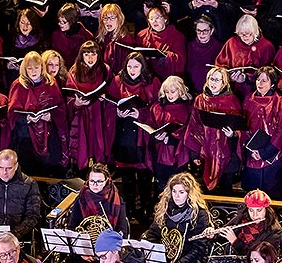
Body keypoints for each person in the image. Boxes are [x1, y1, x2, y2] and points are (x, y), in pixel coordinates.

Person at [201, 190, 282, 263]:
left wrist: (235, 242)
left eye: (259, 210)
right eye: (251, 210)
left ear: (266, 208)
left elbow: (260, 257)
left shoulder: (274, 230)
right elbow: (223, 232)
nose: (254, 215)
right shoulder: (242, 219)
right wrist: (212, 234)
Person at [109, 52, 161, 222]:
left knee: (145, 176)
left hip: (142, 135)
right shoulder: (118, 82)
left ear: (142, 67)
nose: (132, 70)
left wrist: (141, 113)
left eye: (136, 66)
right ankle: (129, 208)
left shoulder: (152, 82)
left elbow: (158, 108)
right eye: (129, 66)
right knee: (127, 177)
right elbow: (110, 103)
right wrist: (117, 112)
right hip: (124, 134)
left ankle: (146, 209)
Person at [6, 52, 68, 175]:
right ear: (25, 69)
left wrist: (50, 116)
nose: (33, 71)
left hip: (48, 133)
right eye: (29, 68)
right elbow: (12, 113)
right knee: (28, 168)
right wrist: (27, 118)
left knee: (49, 167)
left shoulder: (50, 82)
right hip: (26, 135)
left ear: (42, 67)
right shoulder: (18, 84)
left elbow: (60, 108)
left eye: (36, 68)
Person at [183, 66, 243, 193]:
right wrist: (195, 154)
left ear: (224, 83)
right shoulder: (200, 99)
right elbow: (194, 127)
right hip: (206, 154)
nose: (213, 82)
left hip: (227, 155)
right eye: (211, 79)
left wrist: (232, 135)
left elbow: (240, 128)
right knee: (206, 192)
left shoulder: (232, 100)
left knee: (226, 191)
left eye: (217, 80)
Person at [239, 66, 282, 198]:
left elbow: (281, 131)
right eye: (258, 79)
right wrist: (251, 151)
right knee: (252, 196)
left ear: (272, 83)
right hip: (252, 155)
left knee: (271, 197)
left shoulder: (281, 103)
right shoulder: (248, 99)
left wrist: (264, 153)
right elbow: (244, 127)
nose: (259, 83)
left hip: (273, 156)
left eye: (264, 80)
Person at [65, 40, 116, 169]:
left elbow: (113, 92)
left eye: (93, 54)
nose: (90, 58)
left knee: (99, 146)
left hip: (99, 114)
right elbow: (68, 97)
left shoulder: (105, 70)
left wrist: (105, 97)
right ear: (81, 55)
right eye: (86, 54)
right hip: (81, 116)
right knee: (83, 147)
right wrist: (76, 103)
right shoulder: (74, 71)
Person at [215, 14, 276, 100]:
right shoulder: (232, 43)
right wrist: (227, 75)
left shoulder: (266, 46)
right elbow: (220, 64)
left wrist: (247, 78)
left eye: (247, 34)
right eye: (241, 34)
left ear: (255, 31)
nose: (244, 37)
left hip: (256, 92)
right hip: (232, 91)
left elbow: (270, 74)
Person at [149, 75, 194, 190]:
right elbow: (151, 125)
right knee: (162, 186)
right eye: (166, 92)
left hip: (178, 152)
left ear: (180, 90)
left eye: (172, 92)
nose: (169, 95)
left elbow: (190, 131)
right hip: (160, 152)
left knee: (179, 184)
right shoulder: (157, 107)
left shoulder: (188, 108)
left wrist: (170, 138)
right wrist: (156, 136)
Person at [137, 5, 187, 81]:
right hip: (148, 77)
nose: (154, 21)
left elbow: (180, 60)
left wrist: (164, 56)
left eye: (157, 18)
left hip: (169, 79)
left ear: (165, 19)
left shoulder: (176, 35)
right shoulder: (142, 35)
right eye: (151, 19)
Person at [51, 3, 94, 72]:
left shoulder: (86, 36)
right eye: (59, 21)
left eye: (63, 22)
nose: (60, 24)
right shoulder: (56, 35)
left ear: (72, 21)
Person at [186, 15, 222, 93]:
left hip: (212, 89)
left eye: (205, 31)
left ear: (211, 31)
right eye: (199, 30)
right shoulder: (189, 47)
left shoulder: (219, 47)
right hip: (192, 89)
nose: (201, 34)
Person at [97, 3, 136, 72]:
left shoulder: (126, 39)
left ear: (119, 19)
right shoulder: (100, 35)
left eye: (112, 18)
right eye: (105, 18)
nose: (108, 21)